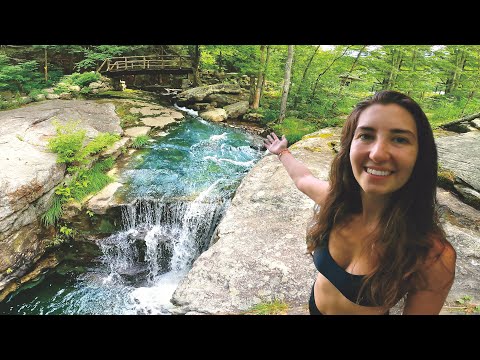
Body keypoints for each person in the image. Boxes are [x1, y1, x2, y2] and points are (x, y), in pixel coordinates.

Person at [264, 90, 456, 315]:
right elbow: (303, 179)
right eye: (366, 135)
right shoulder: (336, 204)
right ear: (349, 146)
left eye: (399, 139)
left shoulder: (431, 254)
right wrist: (282, 151)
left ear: (420, 155)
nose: (378, 154)